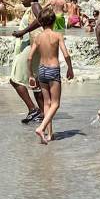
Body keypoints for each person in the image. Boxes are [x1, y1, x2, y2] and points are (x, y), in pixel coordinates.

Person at [25, 8, 74, 143]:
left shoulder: (38, 37)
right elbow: (66, 54)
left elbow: (29, 58)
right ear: (54, 21)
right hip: (53, 70)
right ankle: (41, 128)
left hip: (41, 71)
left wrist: (30, 75)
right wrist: (70, 69)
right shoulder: (57, 35)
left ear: (40, 22)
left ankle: (49, 134)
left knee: (47, 103)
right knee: (56, 104)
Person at [9, 0, 45, 123]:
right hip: (32, 47)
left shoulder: (35, 5)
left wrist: (23, 32)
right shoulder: (31, 8)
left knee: (15, 79)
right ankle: (42, 112)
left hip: (30, 48)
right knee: (34, 81)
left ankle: (32, 109)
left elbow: (42, 18)